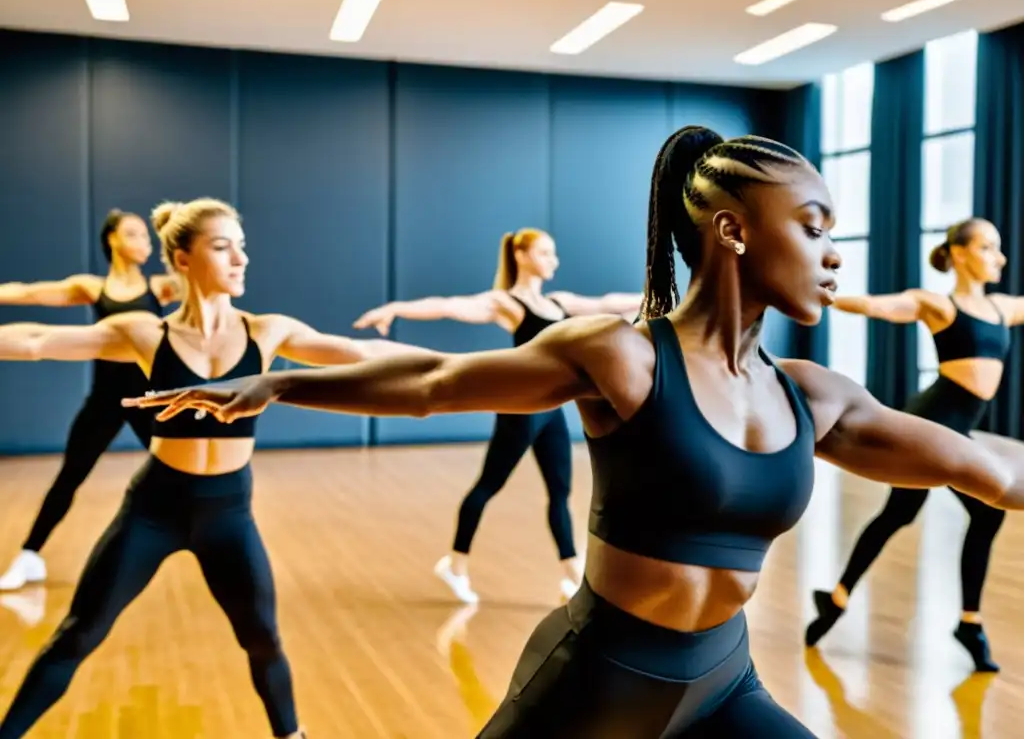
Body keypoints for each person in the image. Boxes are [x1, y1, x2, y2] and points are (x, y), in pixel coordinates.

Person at [125, 128, 1024, 738]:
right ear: (732, 230)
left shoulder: (814, 398)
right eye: (814, 227)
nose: (834, 254)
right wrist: (281, 383)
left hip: (723, 688)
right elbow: (436, 384)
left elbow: (983, 466)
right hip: (594, 683)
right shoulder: (625, 359)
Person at [0, 198, 429, 739]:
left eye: (242, 247)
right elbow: (36, 342)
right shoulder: (144, 334)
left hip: (229, 513)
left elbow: (356, 352)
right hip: (154, 509)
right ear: (182, 260)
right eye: (223, 247)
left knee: (263, 638)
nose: (241, 259)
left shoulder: (266, 332)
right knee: (78, 634)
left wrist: (468, 367)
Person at [353, 228, 642, 603]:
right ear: (521, 256)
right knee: (488, 486)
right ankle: (455, 564)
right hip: (520, 409)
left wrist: (660, 296)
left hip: (551, 410)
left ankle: (572, 574)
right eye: (545, 253)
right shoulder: (506, 303)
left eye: (554, 254)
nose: (553, 260)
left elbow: (607, 302)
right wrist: (395, 309)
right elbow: (448, 305)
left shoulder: (558, 303)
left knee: (559, 492)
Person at [804, 217, 1022, 672]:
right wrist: (819, 294)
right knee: (921, 513)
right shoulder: (936, 304)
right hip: (929, 423)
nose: (998, 257)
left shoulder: (1003, 307)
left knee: (912, 515)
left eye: (998, 249)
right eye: (988, 247)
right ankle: (965, 623)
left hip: (956, 430)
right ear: (959, 253)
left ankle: (840, 599)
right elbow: (879, 306)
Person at [0, 209, 181, 591]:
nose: (143, 242)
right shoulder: (92, 287)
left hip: (148, 400)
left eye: (147, 237)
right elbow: (28, 292)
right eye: (133, 234)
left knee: (183, 470)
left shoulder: (162, 287)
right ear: (112, 239)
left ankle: (211, 547)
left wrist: (177, 230)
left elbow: (198, 281)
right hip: (104, 400)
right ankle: (29, 556)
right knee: (70, 477)